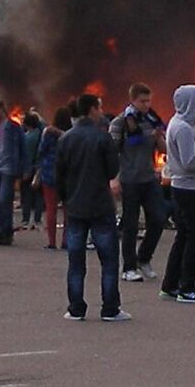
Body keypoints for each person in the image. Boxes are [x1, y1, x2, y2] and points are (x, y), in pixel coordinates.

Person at [57, 94, 126, 322]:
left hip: (75, 207)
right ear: (92, 110)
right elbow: (111, 170)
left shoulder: (66, 139)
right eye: (100, 107)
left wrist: (66, 198)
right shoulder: (102, 138)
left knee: (75, 262)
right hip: (100, 207)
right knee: (108, 261)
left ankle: (76, 308)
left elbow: (59, 175)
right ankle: (110, 309)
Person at [159, 85, 195, 304]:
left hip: (182, 186)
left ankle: (170, 285)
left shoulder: (177, 124)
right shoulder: (182, 129)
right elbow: (189, 162)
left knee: (183, 236)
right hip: (189, 188)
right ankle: (187, 288)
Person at [112, 83, 167, 283]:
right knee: (130, 224)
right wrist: (114, 178)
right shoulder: (121, 122)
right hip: (129, 179)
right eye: (142, 101)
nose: (146, 105)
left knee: (159, 218)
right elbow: (113, 151)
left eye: (148, 100)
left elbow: (162, 149)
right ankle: (128, 267)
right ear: (133, 100)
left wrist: (159, 137)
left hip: (148, 177)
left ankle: (144, 257)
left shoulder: (152, 121)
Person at [0, 101, 24, 245]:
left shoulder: (14, 127)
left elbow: (22, 148)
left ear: (1, 110)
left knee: (4, 200)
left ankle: (7, 232)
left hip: (9, 168)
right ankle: (3, 232)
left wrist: (25, 169)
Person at [37, 108, 66, 249]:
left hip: (49, 174)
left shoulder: (48, 134)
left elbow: (41, 151)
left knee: (51, 209)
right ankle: (66, 241)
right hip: (67, 175)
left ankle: (52, 242)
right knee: (68, 211)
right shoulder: (71, 134)